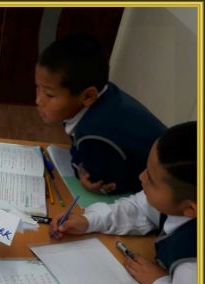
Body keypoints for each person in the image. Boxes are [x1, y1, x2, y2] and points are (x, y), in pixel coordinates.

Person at [51, 121, 197, 284]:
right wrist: (89, 220)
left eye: (151, 180)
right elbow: (139, 208)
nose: (141, 177)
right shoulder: (182, 202)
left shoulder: (191, 269)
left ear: (191, 208)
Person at [35, 32, 166, 195]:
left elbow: (99, 181)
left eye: (49, 95)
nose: (38, 100)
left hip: (165, 192)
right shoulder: (105, 93)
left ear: (88, 96)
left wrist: (79, 169)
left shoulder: (96, 133)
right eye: (37, 88)